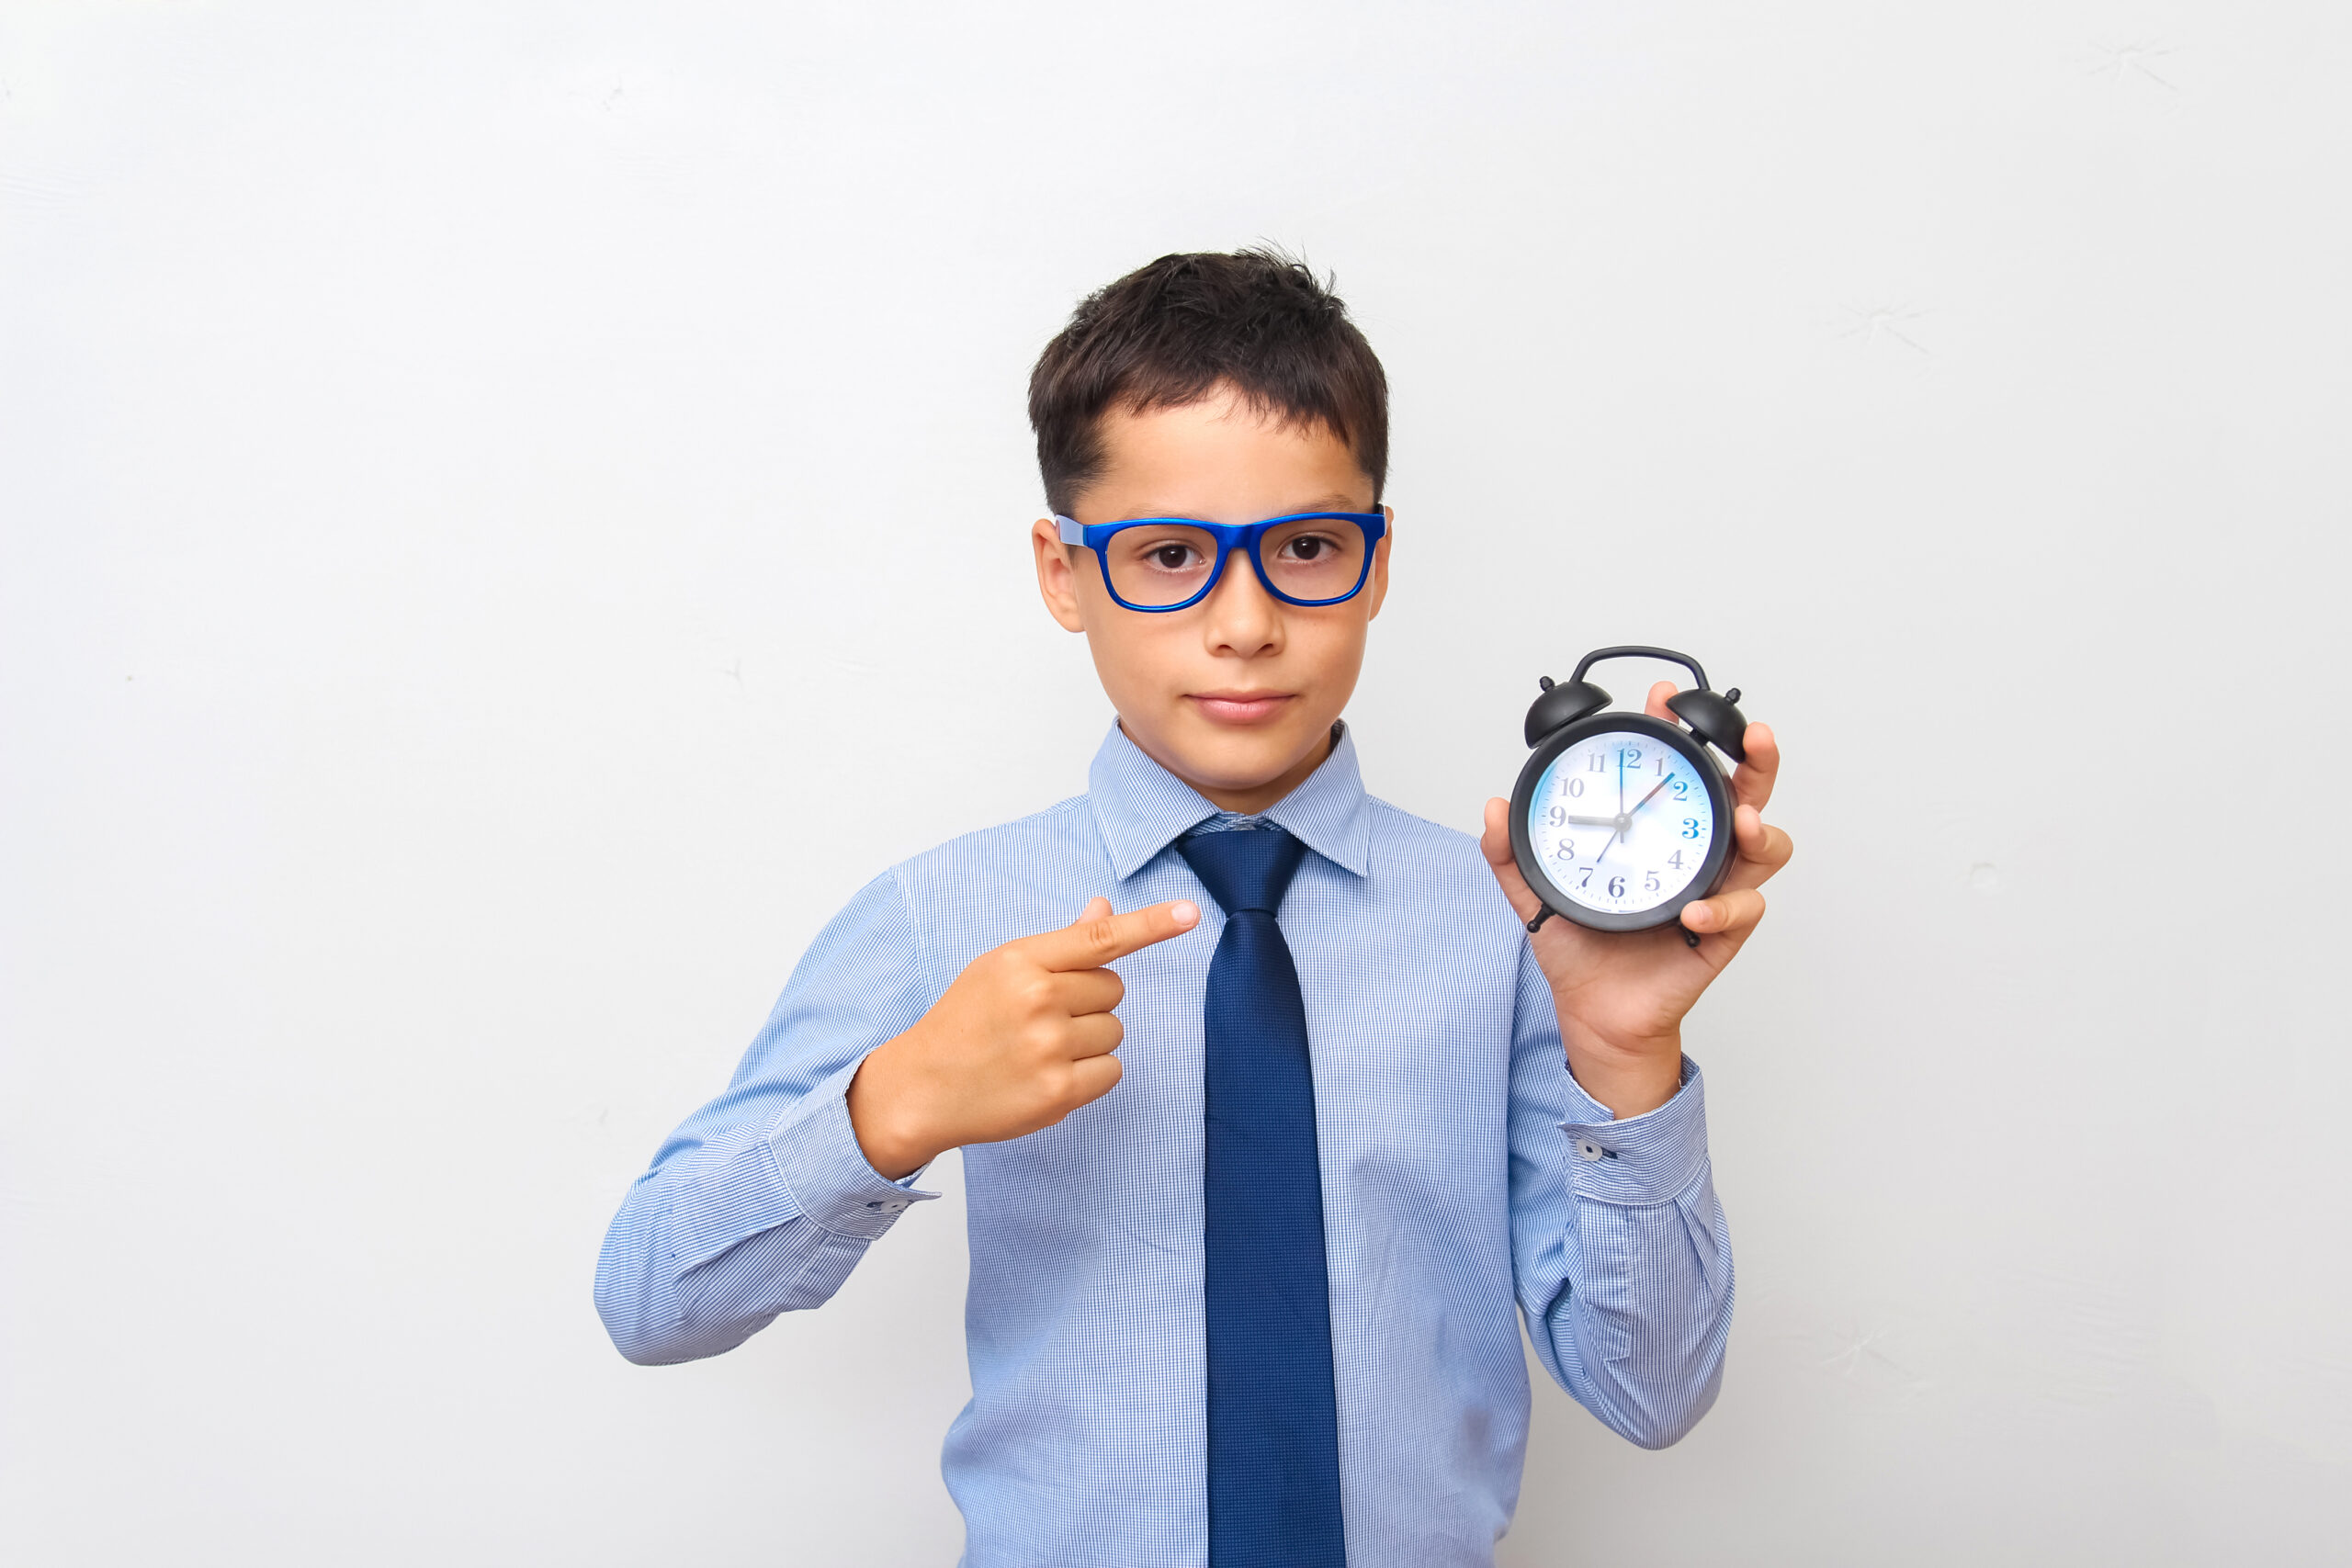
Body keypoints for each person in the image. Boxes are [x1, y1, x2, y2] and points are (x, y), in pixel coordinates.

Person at [594, 248, 1793, 1567]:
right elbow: (654, 1299)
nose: (1244, 623)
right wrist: (892, 1105)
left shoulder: (1503, 926)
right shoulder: (945, 917)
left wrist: (1625, 1062)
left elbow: (1654, 1392)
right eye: (1169, 554)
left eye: (1308, 548)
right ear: (1064, 572)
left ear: (1379, 562)